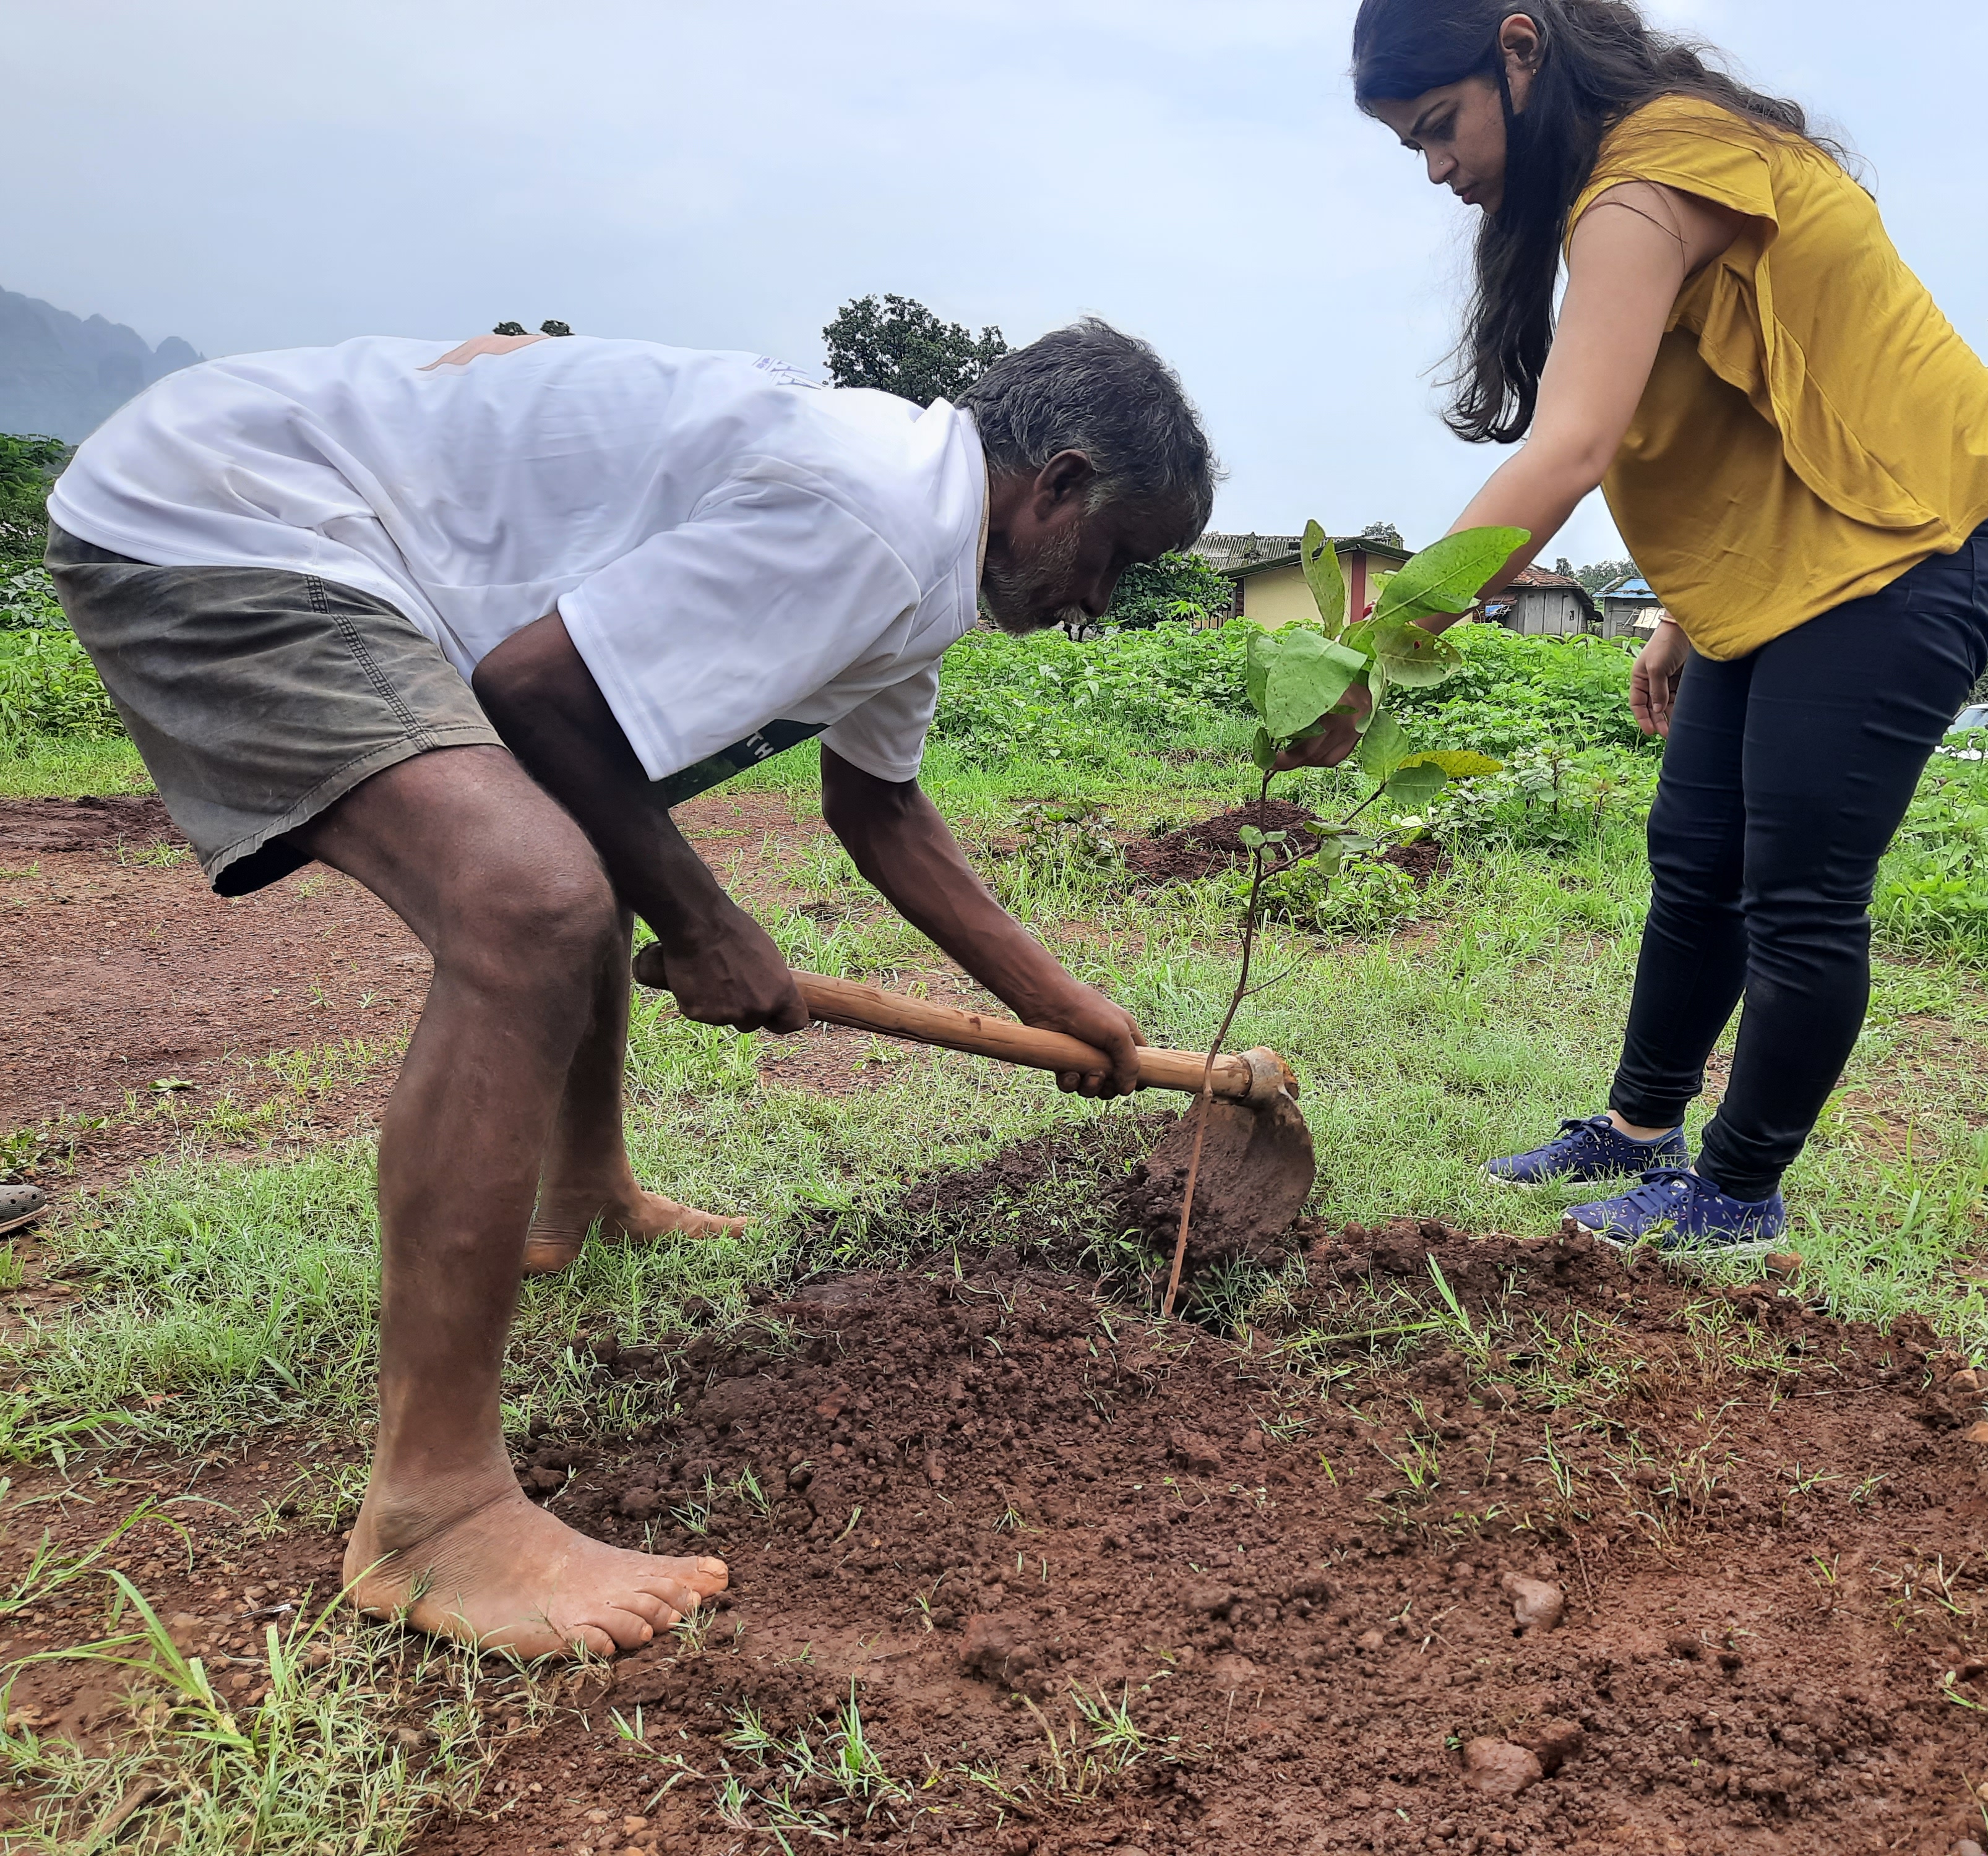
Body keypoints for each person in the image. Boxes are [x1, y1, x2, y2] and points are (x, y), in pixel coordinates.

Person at [45, 321, 1213, 1654]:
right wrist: (709, 925)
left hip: (310, 522)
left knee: (585, 832)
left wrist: (1060, 1004)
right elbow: (537, 694)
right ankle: (432, 1511)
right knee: (531, 892)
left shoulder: (920, 550)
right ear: (1055, 484)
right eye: (1118, 557)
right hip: (226, 512)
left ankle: (585, 1194)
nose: (1100, 600)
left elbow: (878, 809)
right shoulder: (876, 512)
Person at [1322, 0, 1988, 1252]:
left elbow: (1574, 448)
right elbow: (1737, 411)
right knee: (1692, 856)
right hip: (1793, 562)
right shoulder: (1622, 181)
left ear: (1519, 50)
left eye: (1439, 127)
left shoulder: (1653, 174)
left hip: (1904, 549)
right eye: (1410, 149)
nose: (1438, 170)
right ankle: (1639, 1133)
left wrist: (1387, 639)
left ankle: (1737, 1192)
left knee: (1794, 894)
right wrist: (1688, 613)